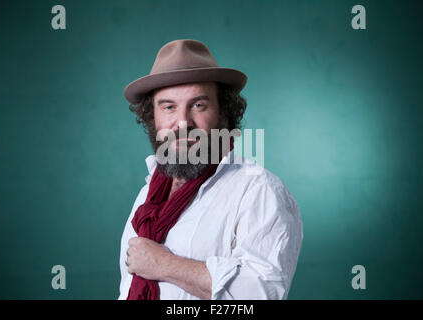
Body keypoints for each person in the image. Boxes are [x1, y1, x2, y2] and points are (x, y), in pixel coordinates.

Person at [118, 39, 303, 300]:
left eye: (198, 105)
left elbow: (262, 294)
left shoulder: (258, 190)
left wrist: (164, 265)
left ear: (223, 112)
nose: (182, 123)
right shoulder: (149, 192)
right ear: (153, 117)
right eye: (169, 107)